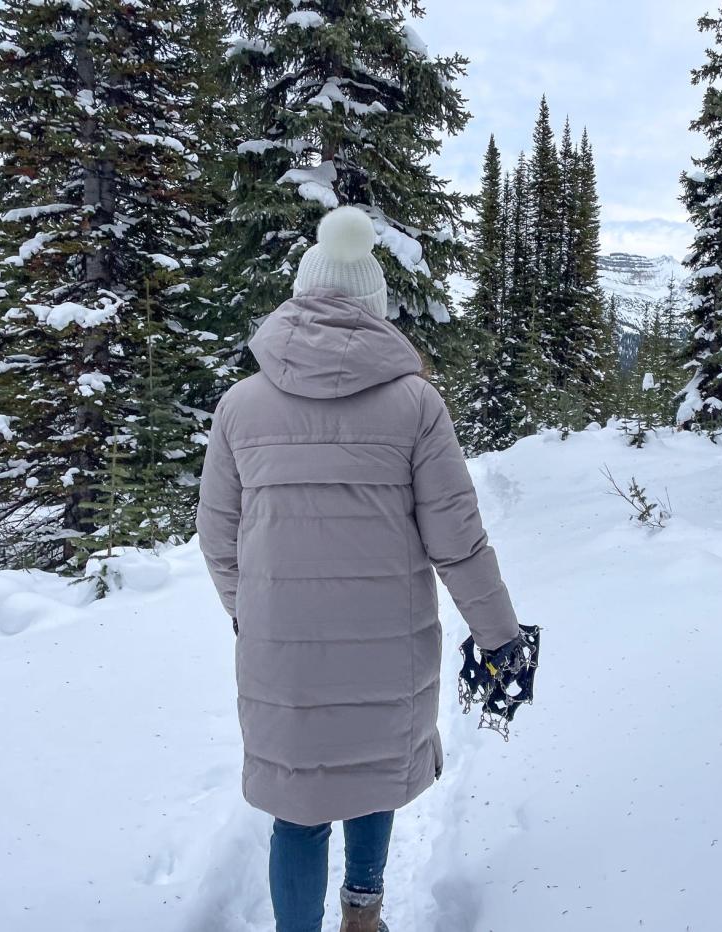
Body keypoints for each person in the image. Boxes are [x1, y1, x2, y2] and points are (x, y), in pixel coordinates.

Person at [197, 206, 523, 932]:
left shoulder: (239, 407)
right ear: (375, 308)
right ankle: (363, 916)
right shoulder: (416, 405)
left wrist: (249, 614)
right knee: (373, 774)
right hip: (387, 642)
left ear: (300, 297)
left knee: (299, 809)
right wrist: (499, 635)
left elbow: (217, 536)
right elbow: (458, 540)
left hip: (281, 651)